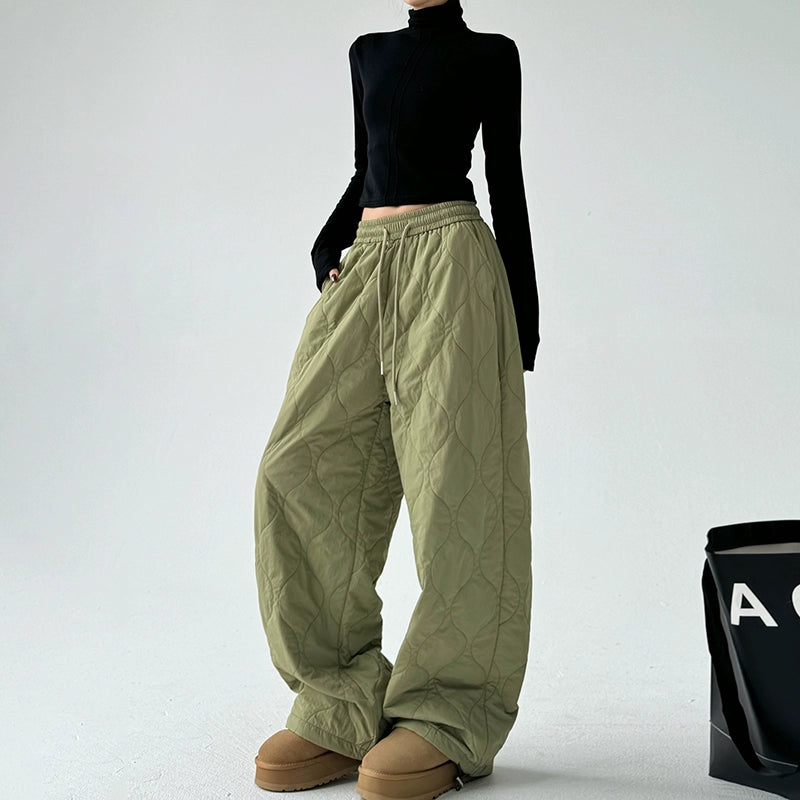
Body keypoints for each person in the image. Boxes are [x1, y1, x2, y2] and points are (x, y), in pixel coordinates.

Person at [252, 0, 540, 796]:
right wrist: (328, 245)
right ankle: (339, 698)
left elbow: (505, 178)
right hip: (369, 256)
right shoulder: (367, 51)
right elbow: (366, 166)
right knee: (298, 468)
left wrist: (522, 317)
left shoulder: (491, 53)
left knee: (457, 486)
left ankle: (450, 710)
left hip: (453, 259)